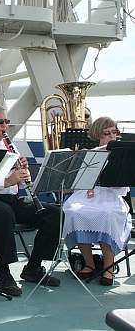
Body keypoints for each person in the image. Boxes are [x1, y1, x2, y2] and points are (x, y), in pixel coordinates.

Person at [0, 103, 61, 297]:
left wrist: (22, 175)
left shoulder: (9, 145)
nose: (5, 126)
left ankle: (33, 267)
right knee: (3, 213)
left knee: (54, 213)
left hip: (8, 200)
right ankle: (4, 274)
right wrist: (7, 181)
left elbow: (18, 181)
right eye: (1, 122)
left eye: (6, 122)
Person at [62, 117, 131, 286]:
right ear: (97, 135)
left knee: (107, 214)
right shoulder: (91, 153)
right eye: (106, 134)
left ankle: (108, 267)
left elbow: (123, 185)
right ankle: (89, 263)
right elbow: (77, 182)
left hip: (111, 195)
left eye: (114, 133)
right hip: (87, 195)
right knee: (74, 212)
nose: (111, 137)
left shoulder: (124, 154)